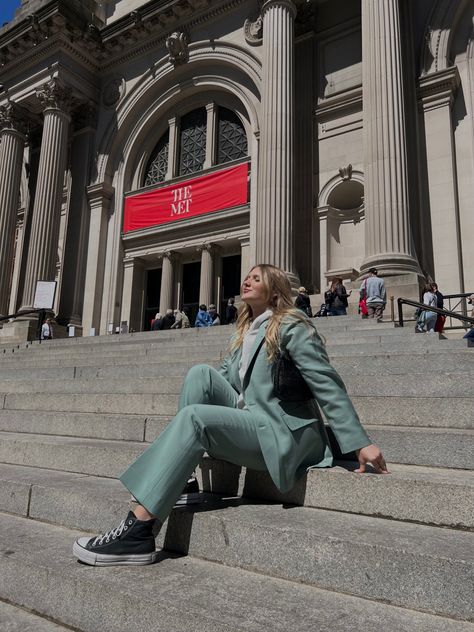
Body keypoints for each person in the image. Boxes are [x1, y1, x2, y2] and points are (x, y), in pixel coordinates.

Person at [73, 263, 388, 567]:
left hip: (280, 431)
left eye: (256, 278)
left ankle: (138, 532)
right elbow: (221, 379)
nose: (246, 282)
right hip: (253, 421)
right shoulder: (247, 333)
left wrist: (359, 442)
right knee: (200, 373)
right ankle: (185, 479)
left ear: (274, 289)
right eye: (246, 277)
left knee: (195, 418)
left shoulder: (293, 326)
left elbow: (325, 382)